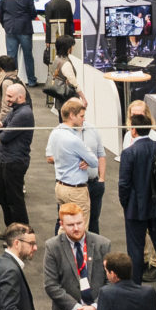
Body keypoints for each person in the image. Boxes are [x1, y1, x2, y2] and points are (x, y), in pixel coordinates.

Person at [116, 106, 156, 301]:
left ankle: (135, 290)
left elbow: (124, 184)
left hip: (135, 208)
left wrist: (126, 204)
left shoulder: (129, 153)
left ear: (133, 130)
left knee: (135, 249)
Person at [39, 199, 110, 310]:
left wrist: (95, 307)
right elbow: (51, 285)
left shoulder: (103, 244)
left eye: (79, 223)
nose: (76, 228)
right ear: (61, 224)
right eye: (71, 225)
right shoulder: (52, 247)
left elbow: (111, 281)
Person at [46, 96, 103, 225]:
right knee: (80, 228)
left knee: (64, 226)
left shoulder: (56, 132)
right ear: (72, 115)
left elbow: (50, 156)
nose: (84, 119)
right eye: (81, 116)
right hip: (76, 191)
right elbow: (94, 161)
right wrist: (85, 158)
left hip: (60, 187)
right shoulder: (74, 139)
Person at [0, 79, 33, 229]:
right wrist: (1, 128)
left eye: (10, 97)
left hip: (15, 162)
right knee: (2, 196)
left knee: (15, 199)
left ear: (20, 97)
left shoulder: (24, 114)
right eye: (6, 96)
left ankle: (23, 231)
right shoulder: (15, 111)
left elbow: (3, 136)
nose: (7, 99)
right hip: (6, 160)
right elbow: (1, 129)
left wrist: (0, 128)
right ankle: (11, 229)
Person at [0, 0, 41, 85]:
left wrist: (5, 25)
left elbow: (0, 13)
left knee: (11, 57)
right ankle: (31, 80)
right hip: (25, 28)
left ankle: (12, 79)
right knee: (28, 56)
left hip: (10, 28)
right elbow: (33, 13)